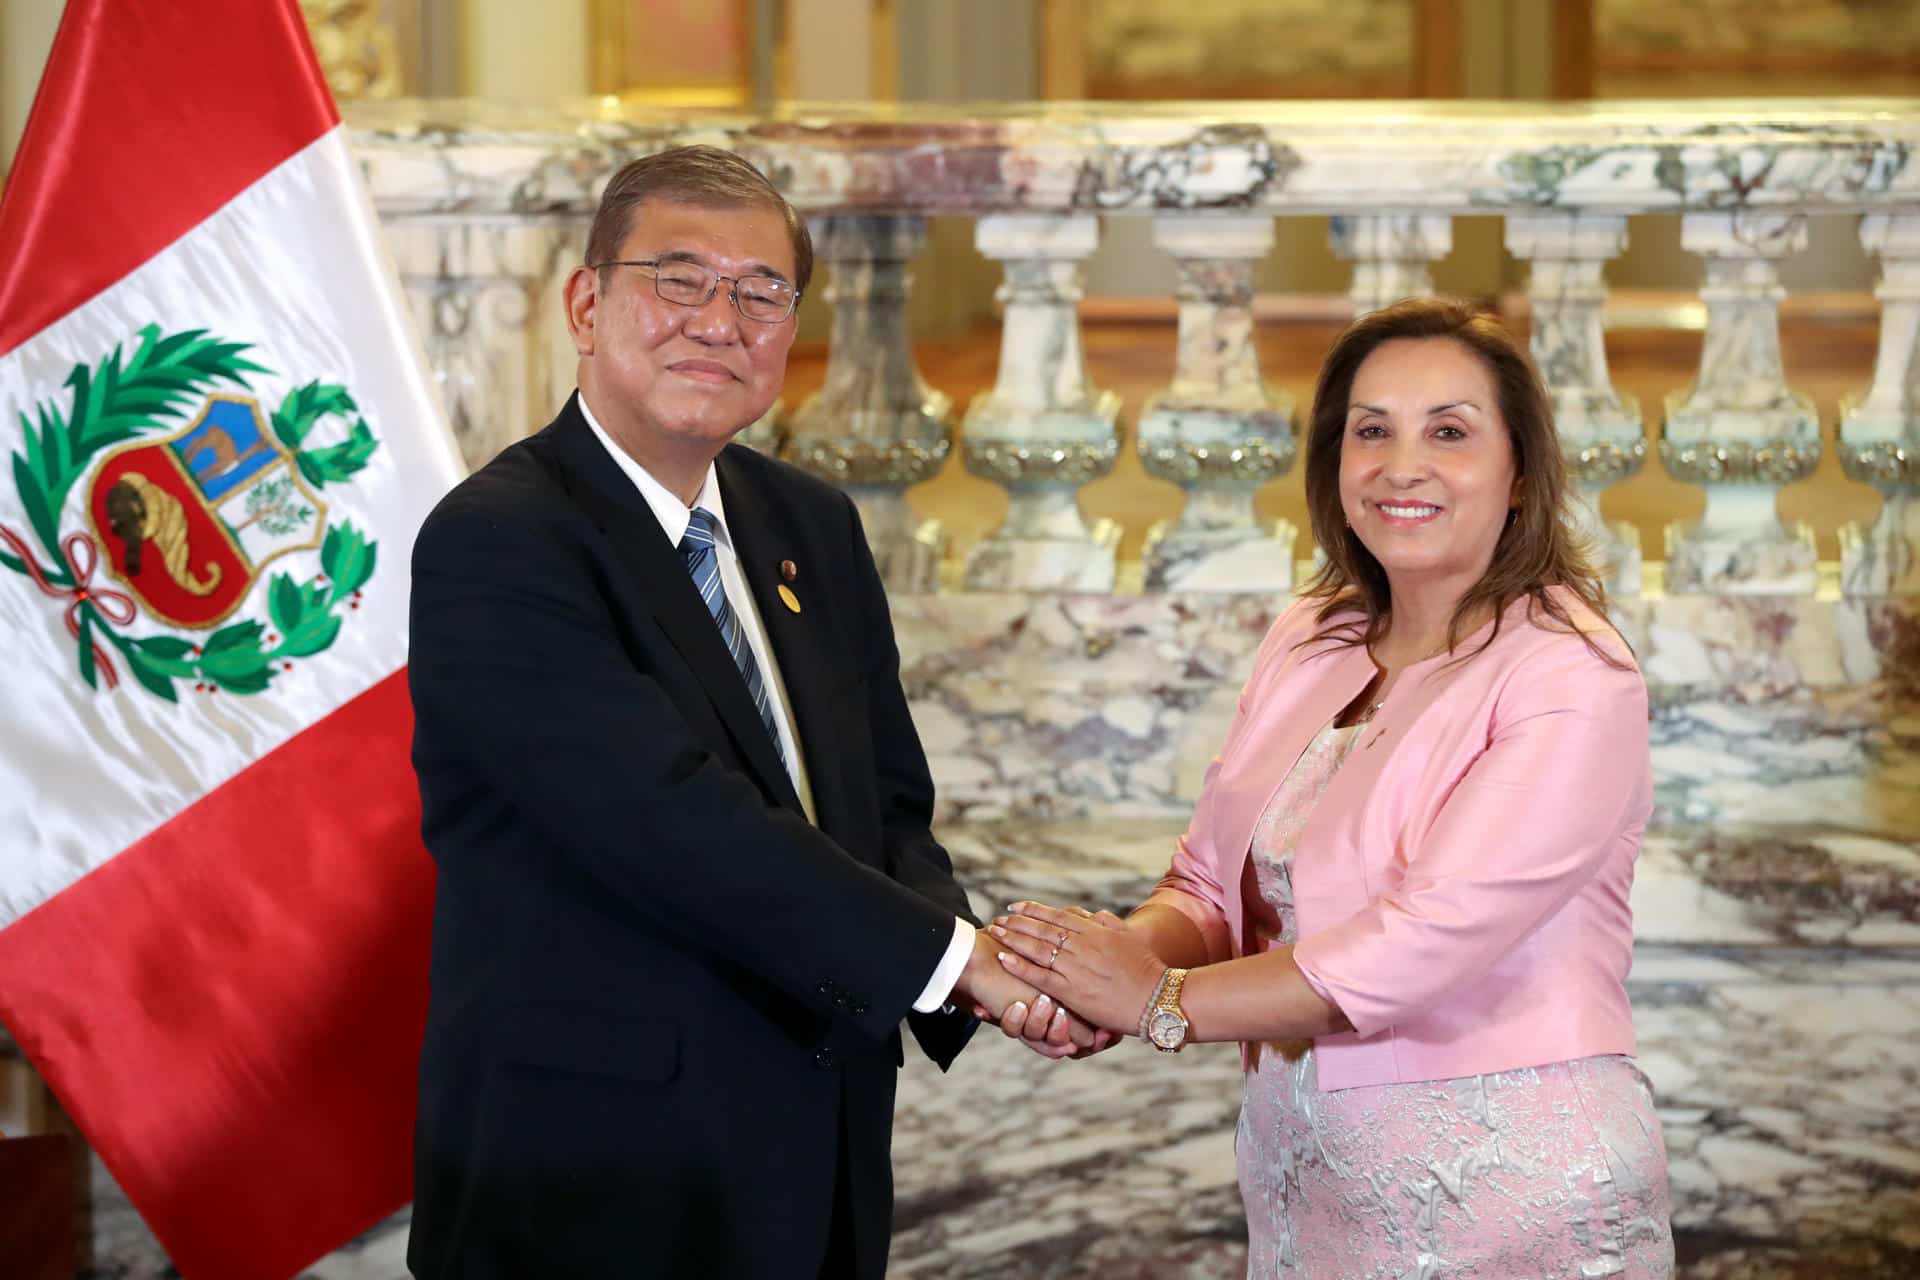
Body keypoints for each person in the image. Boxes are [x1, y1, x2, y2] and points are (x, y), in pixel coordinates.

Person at [404, 145, 1098, 1280]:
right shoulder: (503, 539)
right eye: (678, 279)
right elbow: (670, 819)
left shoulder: (808, 524)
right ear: (587, 304)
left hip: (814, 1151)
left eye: (760, 292)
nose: (719, 320)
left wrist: (993, 972)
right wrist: (958, 963)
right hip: (598, 1182)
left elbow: (885, 808)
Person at [989, 298, 1675, 1277]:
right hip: (1305, 1181)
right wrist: (1097, 968)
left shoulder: (1572, 672)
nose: (1402, 464)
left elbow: (1419, 943)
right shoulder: (1315, 634)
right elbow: (1206, 881)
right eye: (1370, 429)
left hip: (1513, 1188)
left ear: (1520, 469)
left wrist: (1159, 998)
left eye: (1449, 430)